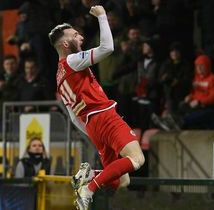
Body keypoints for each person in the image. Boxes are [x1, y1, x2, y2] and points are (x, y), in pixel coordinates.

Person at [48, 5, 145, 210]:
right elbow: (107, 48)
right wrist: (102, 17)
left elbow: (74, 117)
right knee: (137, 158)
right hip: (104, 116)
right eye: (75, 34)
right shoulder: (72, 60)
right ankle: (89, 187)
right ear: (66, 43)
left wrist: (92, 133)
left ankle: (91, 175)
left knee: (122, 181)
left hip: (92, 125)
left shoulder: (59, 77)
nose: (81, 37)